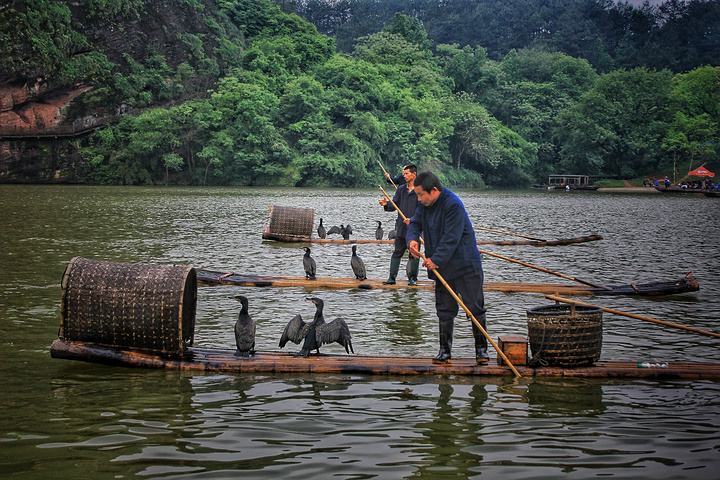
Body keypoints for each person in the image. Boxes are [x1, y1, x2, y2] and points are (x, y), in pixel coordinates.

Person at [406, 171, 489, 364]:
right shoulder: (424, 205)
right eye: (417, 195)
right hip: (442, 267)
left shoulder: (453, 204)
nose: (418, 199)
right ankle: (445, 350)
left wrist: (435, 259)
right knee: (444, 309)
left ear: (433, 191)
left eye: (420, 194)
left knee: (475, 307)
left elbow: (452, 238)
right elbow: (414, 223)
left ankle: (481, 350)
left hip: (465, 264)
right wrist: (412, 241)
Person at [379, 164, 420, 285]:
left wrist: (412, 220)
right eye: (404, 174)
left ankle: (412, 278)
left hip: (414, 228)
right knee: (397, 252)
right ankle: (392, 278)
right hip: (401, 227)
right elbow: (394, 205)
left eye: (407, 173)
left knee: (413, 253)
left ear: (414, 174)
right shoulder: (401, 189)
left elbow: (423, 210)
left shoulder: (420, 190)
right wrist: (386, 204)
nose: (404, 176)